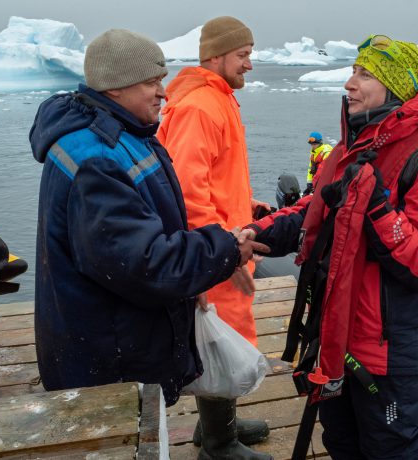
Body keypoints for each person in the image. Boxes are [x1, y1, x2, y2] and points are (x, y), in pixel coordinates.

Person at [242, 34, 418, 459]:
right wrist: (264, 231)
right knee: (341, 442)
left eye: (364, 74)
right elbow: (318, 209)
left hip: (387, 355)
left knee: (392, 449)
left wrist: (379, 209)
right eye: (353, 71)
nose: (350, 83)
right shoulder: (351, 151)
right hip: (334, 339)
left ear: (395, 89)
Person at [29, 29, 266, 408]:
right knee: (127, 438)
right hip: (109, 357)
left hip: (119, 340)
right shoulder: (96, 159)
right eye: (151, 83)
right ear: (115, 87)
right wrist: (223, 250)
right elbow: (144, 262)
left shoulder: (128, 133)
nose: (163, 92)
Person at [156, 16, 272, 460]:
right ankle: (220, 445)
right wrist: (220, 254)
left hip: (224, 237)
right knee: (223, 339)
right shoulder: (201, 106)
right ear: (217, 55)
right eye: (243, 55)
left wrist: (247, 204)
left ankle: (216, 424)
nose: (249, 64)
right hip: (214, 246)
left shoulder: (216, 99)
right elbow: (187, 191)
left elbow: (214, 175)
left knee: (226, 337)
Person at [303, 131, 333, 196]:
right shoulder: (313, 153)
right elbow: (310, 169)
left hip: (325, 183)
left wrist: (314, 186)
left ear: (320, 143)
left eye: (314, 144)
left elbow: (323, 171)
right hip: (316, 183)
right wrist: (309, 183)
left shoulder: (326, 153)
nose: (313, 146)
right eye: (311, 144)